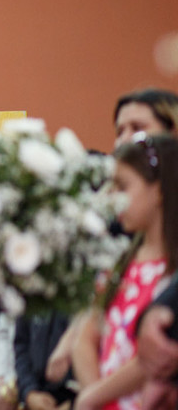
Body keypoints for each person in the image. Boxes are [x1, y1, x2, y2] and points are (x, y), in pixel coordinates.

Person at [71, 133, 178, 410]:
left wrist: (93, 397)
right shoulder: (121, 263)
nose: (113, 198)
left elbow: (155, 354)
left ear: (158, 191)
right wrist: (95, 396)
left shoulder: (172, 271)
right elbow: (85, 339)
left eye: (123, 186)